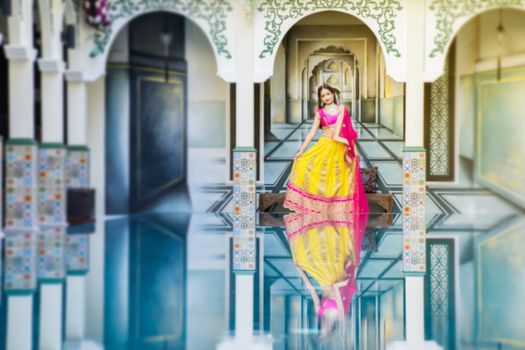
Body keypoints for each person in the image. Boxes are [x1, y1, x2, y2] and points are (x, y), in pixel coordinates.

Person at [283, 84, 368, 214]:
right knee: (321, 174)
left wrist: (354, 150)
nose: (326, 97)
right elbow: (311, 133)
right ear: (321, 99)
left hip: (341, 148)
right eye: (323, 96)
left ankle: (338, 209)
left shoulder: (342, 109)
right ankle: (321, 208)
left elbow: (349, 131)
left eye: (328, 94)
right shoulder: (320, 113)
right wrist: (301, 150)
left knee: (339, 177)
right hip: (325, 145)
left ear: (333, 94)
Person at [284, 210, 368, 339]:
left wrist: (301, 271)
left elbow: (311, 289)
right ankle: (336, 215)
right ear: (331, 329)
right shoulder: (340, 315)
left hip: (323, 278)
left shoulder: (320, 311)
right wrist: (346, 280)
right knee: (338, 246)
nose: (324, 327)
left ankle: (319, 216)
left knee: (319, 248)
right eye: (326, 330)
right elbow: (343, 293)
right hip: (337, 277)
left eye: (322, 329)